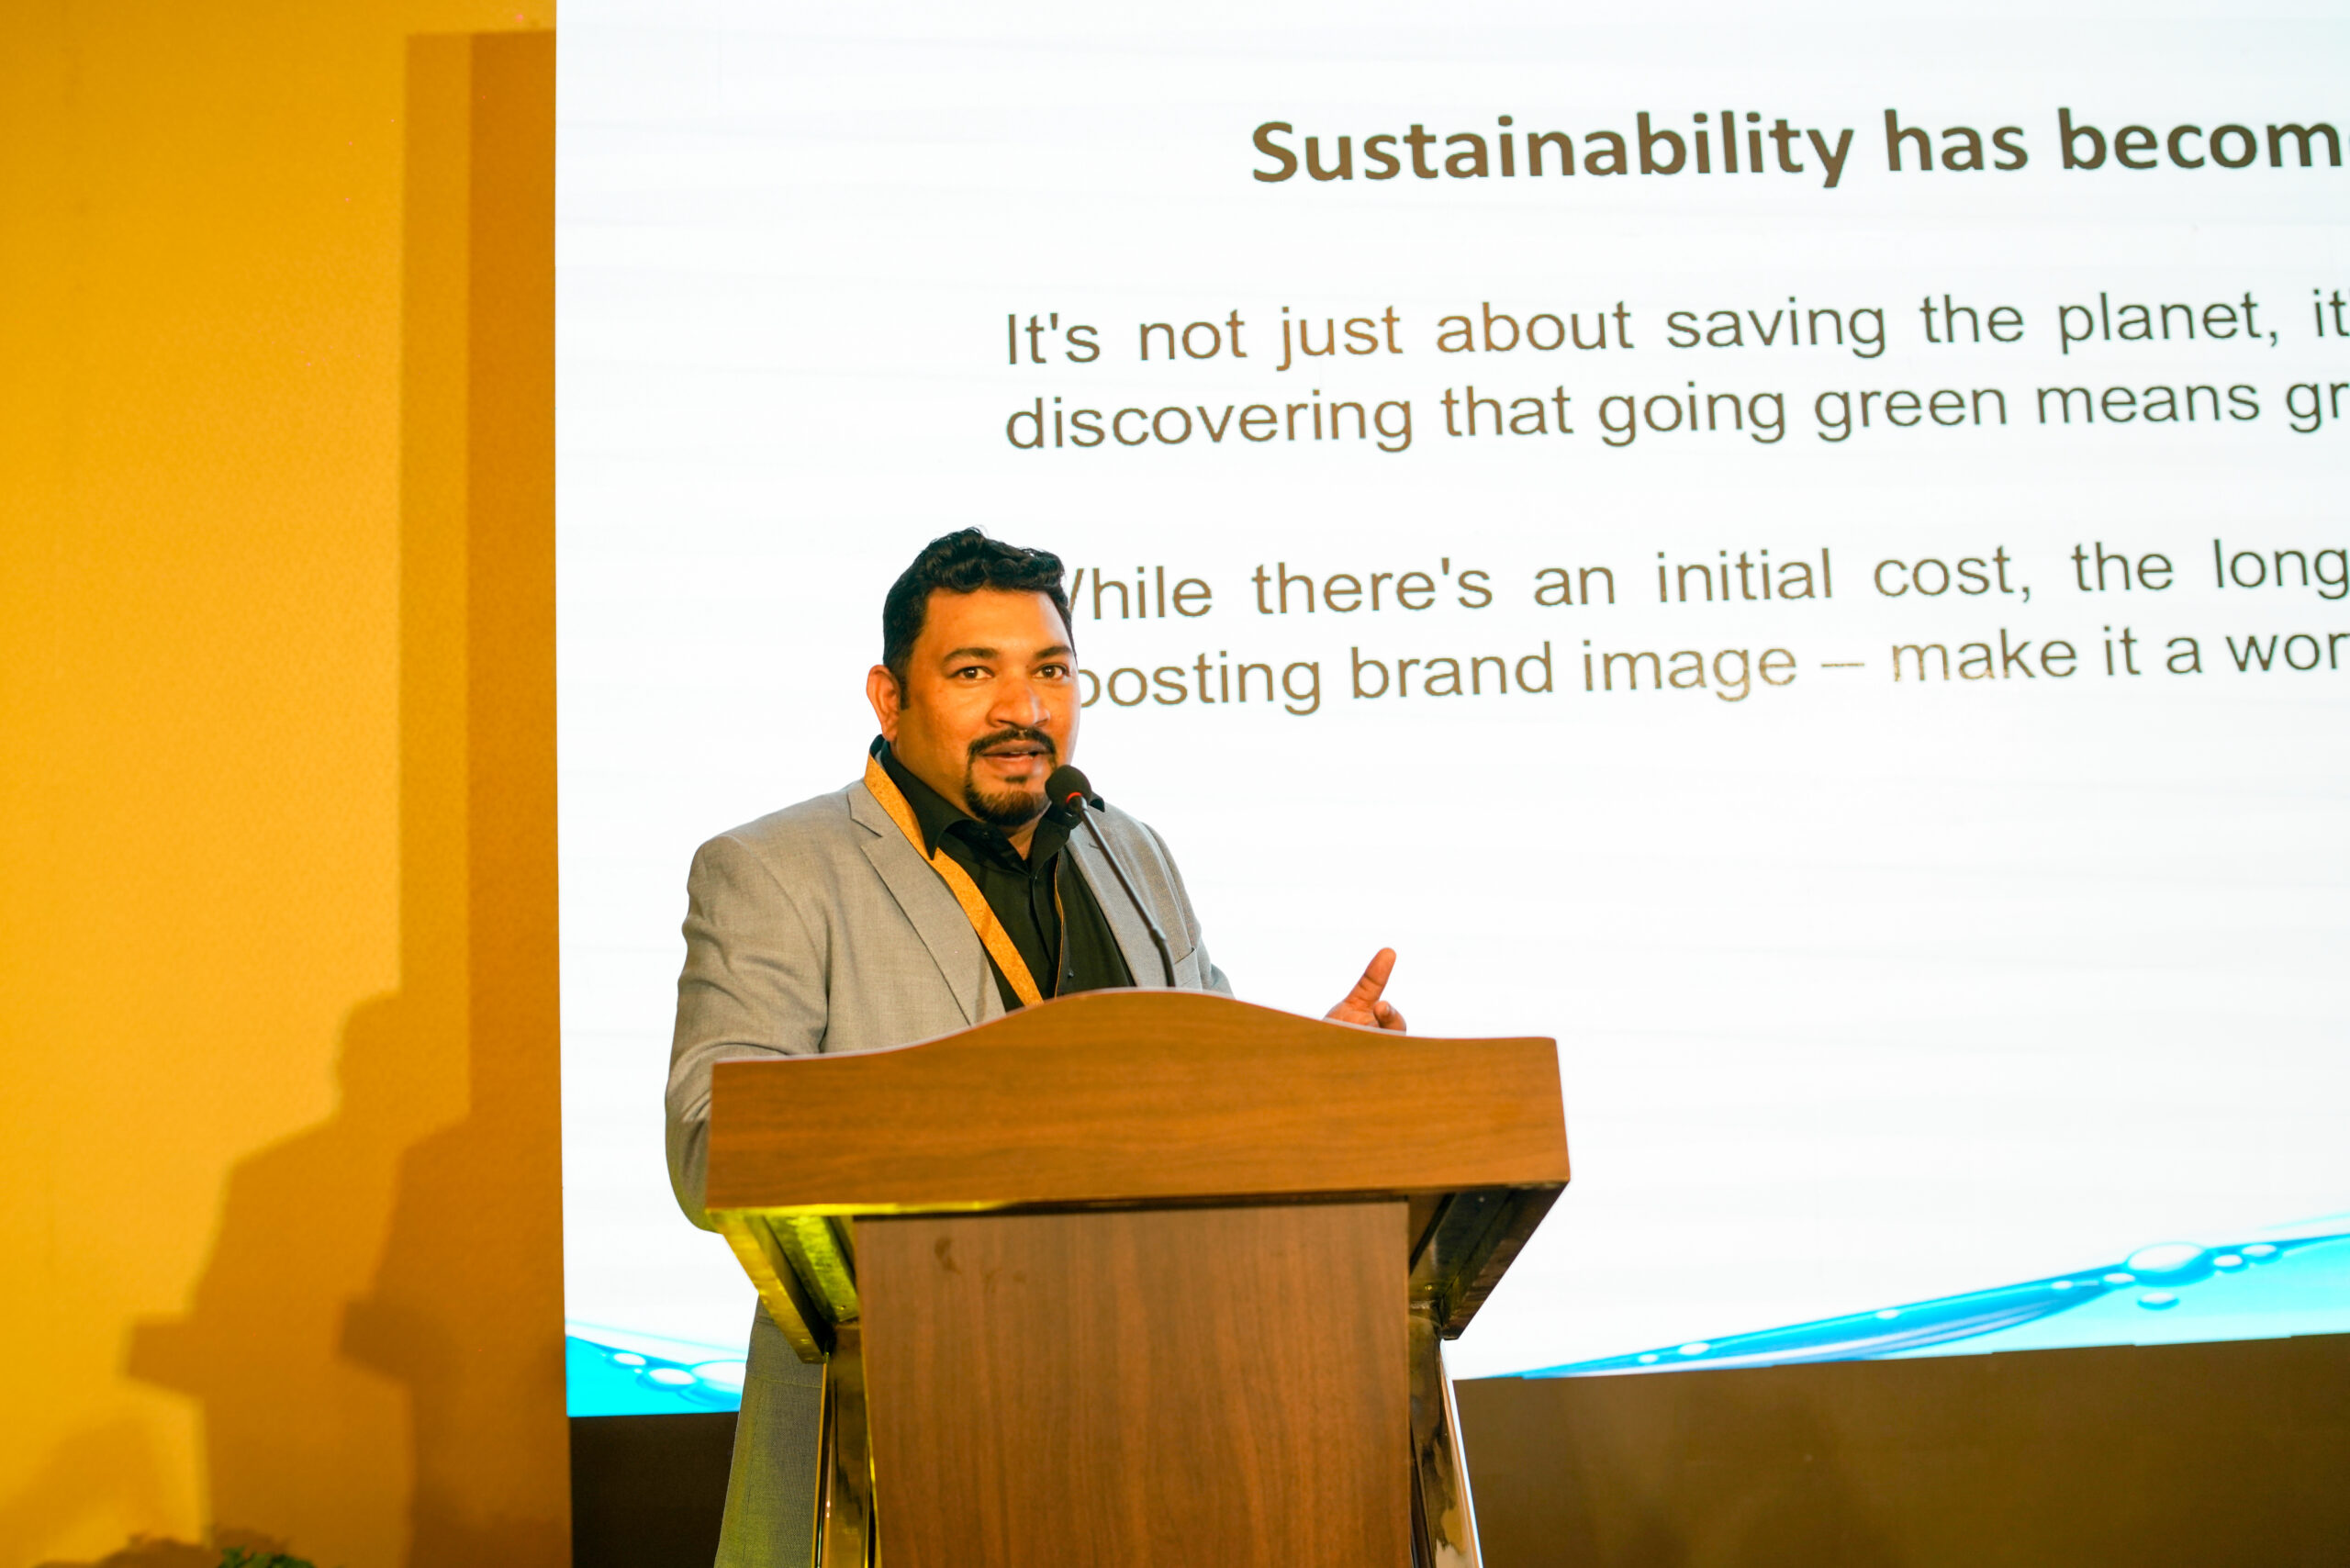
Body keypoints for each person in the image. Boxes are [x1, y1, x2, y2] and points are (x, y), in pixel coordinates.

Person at [664, 528, 1405, 1567]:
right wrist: (1000, 1117)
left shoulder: (1127, 848)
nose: (1025, 709)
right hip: (899, 1445)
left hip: (1168, 1437)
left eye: (1050, 671)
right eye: (975, 673)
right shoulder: (774, 869)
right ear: (889, 698)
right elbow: (710, 1149)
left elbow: (1208, 1103)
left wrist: (1312, 1076)